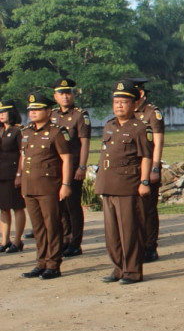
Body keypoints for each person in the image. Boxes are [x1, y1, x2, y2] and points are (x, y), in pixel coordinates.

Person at [95, 80, 153, 284]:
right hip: (108, 183)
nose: (119, 105)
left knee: (130, 230)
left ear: (134, 105)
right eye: (117, 102)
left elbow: (146, 156)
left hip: (128, 184)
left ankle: (132, 271)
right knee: (112, 232)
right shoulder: (109, 125)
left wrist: (144, 181)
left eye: (124, 102)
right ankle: (118, 267)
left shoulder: (139, 128)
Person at [19, 92, 73, 280]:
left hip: (49, 186)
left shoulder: (57, 132)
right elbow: (24, 158)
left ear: (48, 111)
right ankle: (41, 262)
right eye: (31, 110)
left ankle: (53, 264)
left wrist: (66, 184)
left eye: (37, 109)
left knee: (52, 225)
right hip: (30, 186)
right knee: (38, 227)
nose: (33, 113)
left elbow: (66, 159)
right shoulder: (26, 132)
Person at [50, 78, 91, 258]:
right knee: (60, 205)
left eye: (68, 93)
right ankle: (65, 239)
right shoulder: (52, 115)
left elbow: (85, 143)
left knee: (72, 205)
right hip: (55, 168)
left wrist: (82, 166)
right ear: (55, 96)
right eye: (61, 93)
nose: (65, 96)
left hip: (73, 166)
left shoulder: (80, 115)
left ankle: (75, 242)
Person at [131, 77, 165, 263]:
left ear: (141, 94)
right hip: (131, 168)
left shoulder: (152, 113)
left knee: (148, 209)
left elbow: (158, 142)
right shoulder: (128, 113)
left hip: (149, 165)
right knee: (134, 209)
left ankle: (150, 246)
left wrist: (154, 166)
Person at [0, 101, 26, 254]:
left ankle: (17, 240)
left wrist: (19, 174)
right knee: (3, 208)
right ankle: (5, 240)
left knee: (17, 207)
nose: (1, 115)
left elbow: (22, 154)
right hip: (1, 174)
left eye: (4, 112)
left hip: (13, 173)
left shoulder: (18, 131)